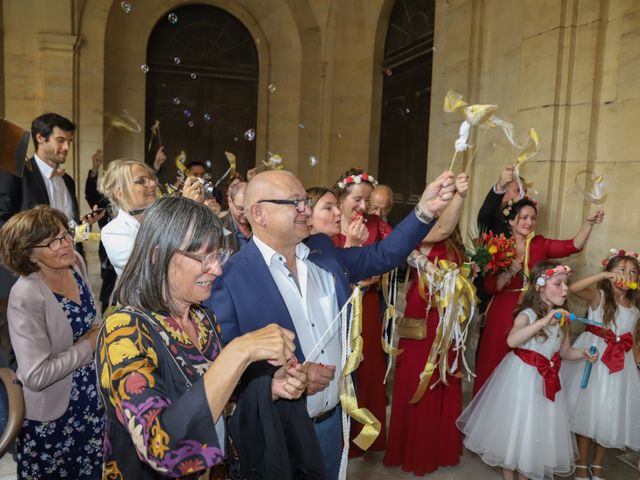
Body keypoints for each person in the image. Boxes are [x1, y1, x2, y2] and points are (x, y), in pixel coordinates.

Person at [206, 169, 456, 479]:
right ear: (259, 213)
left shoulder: (322, 251)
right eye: (294, 203)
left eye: (305, 202)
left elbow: (384, 254)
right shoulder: (229, 279)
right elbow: (221, 369)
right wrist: (279, 381)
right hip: (278, 433)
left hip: (332, 423)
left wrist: (425, 211)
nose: (305, 210)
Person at [96, 196, 313, 479]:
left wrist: (270, 388)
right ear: (156, 255)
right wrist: (239, 351)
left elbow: (220, 402)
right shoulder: (124, 330)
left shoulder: (204, 319)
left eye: (219, 256)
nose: (217, 269)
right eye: (203, 258)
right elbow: (159, 446)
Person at [458, 262, 598, 480]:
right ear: (540, 286)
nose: (565, 289)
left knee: (534, 437)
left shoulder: (562, 320)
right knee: (514, 432)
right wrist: (544, 321)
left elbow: (565, 351)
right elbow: (512, 340)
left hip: (546, 382)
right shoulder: (527, 315)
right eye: (558, 284)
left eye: (566, 284)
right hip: (521, 379)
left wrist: (582, 353)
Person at [0, 206, 104, 479]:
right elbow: (36, 375)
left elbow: (92, 322)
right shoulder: (25, 296)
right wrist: (88, 346)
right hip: (51, 419)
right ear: (28, 253)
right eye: (53, 241)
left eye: (65, 235)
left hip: (91, 404)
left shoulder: (77, 264)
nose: (66, 244)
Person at [383, 173, 469, 475]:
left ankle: (441, 447)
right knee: (423, 378)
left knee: (445, 379)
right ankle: (416, 450)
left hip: (448, 322)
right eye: (441, 201)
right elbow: (443, 226)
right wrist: (458, 195)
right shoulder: (417, 235)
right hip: (424, 318)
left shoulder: (456, 248)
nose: (445, 208)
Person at [473, 199, 604, 395]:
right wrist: (508, 273)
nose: (529, 222)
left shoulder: (540, 243)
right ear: (510, 221)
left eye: (533, 218)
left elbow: (573, 245)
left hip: (534, 307)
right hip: (502, 310)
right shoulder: (497, 246)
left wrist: (588, 223)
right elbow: (489, 286)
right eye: (524, 217)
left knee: (530, 360)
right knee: (494, 359)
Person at [561, 250, 640, 480]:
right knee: (587, 412)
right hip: (594, 358)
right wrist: (603, 275)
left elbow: (634, 340)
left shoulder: (635, 309)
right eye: (621, 270)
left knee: (609, 415)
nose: (627, 276)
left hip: (619, 366)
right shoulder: (599, 297)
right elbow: (573, 289)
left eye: (633, 272)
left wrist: (635, 363)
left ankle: (598, 464)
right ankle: (582, 464)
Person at [331, 168, 393, 457]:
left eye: (367, 200)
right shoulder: (327, 225)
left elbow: (395, 250)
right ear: (341, 197)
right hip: (337, 308)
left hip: (367, 305)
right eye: (358, 199)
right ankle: (340, 437)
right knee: (340, 364)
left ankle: (366, 438)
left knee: (368, 367)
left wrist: (377, 271)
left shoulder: (375, 224)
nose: (364, 207)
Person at [98, 159, 203, 276]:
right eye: (141, 181)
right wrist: (186, 208)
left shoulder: (164, 216)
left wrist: (202, 212)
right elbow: (151, 266)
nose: (153, 184)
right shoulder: (113, 231)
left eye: (151, 179)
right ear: (119, 193)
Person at [477, 165, 523, 237]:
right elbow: (484, 217)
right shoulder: (494, 215)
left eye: (525, 191)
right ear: (504, 194)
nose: (523, 195)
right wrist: (500, 187)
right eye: (518, 190)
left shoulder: (527, 220)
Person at [220, 180, 251, 253]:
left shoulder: (260, 223)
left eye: (249, 208)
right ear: (230, 202)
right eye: (241, 209)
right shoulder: (218, 228)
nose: (246, 214)